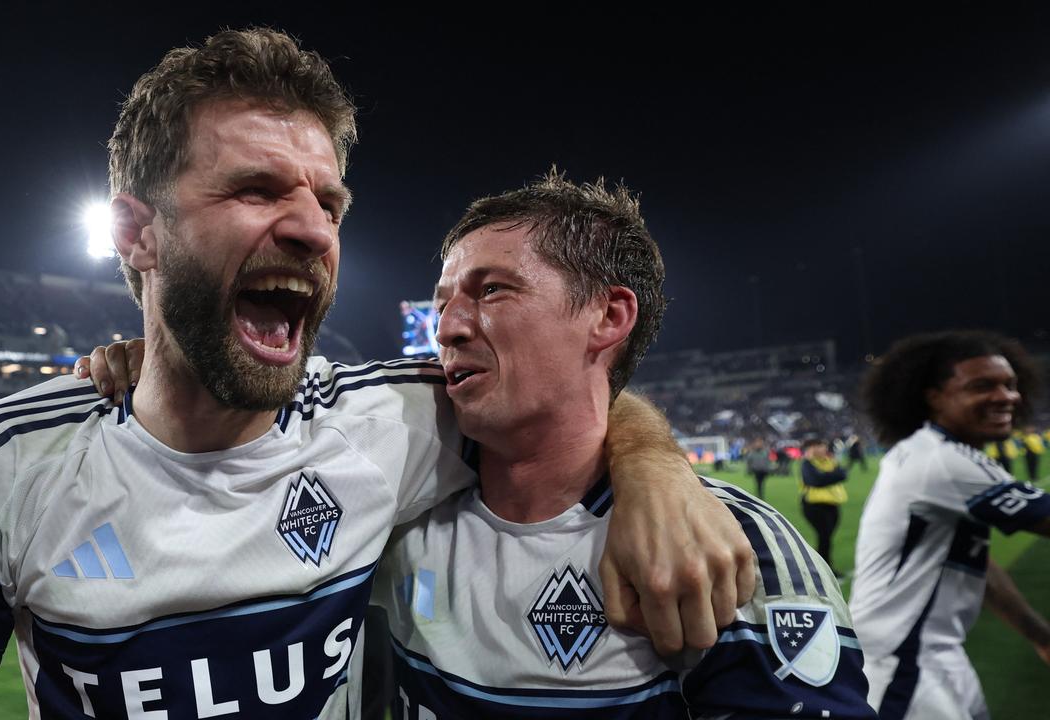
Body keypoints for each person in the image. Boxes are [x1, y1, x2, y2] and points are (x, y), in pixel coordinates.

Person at [0, 29, 752, 719]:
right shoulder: (11, 455)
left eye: (328, 203)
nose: (313, 229)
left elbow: (555, 393)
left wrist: (652, 468)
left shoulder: (393, 422)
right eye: (258, 189)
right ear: (137, 233)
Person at [88, 171, 876, 718]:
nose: (450, 324)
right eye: (443, 301)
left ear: (608, 317)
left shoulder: (728, 554)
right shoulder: (394, 519)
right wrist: (161, 361)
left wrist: (652, 464)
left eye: (493, 290)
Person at [850, 330, 1050, 720]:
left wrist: (1041, 636)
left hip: (933, 654)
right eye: (983, 386)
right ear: (934, 397)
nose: (1006, 396)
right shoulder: (940, 461)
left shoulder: (936, 453)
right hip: (902, 662)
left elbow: (976, 564)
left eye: (1010, 385)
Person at [798, 438, 847, 571]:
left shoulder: (829, 460)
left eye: (824, 445)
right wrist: (830, 476)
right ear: (811, 448)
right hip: (814, 506)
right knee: (824, 537)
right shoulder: (807, 463)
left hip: (832, 504)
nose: (823, 448)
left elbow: (843, 474)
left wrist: (825, 476)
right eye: (819, 445)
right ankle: (824, 568)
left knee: (827, 538)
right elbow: (815, 480)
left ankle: (822, 566)